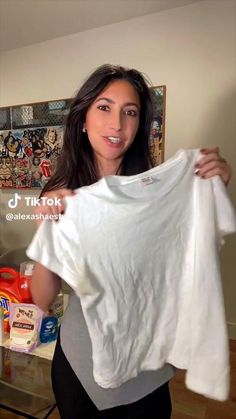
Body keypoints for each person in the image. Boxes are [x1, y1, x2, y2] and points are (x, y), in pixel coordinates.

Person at [28, 64, 232, 419]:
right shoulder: (63, 197)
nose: (117, 124)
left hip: (146, 356)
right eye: (104, 107)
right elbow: (43, 299)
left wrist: (211, 193)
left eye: (130, 112)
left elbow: (188, 261)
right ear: (83, 118)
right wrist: (46, 231)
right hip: (82, 360)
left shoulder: (161, 193)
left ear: (139, 125)